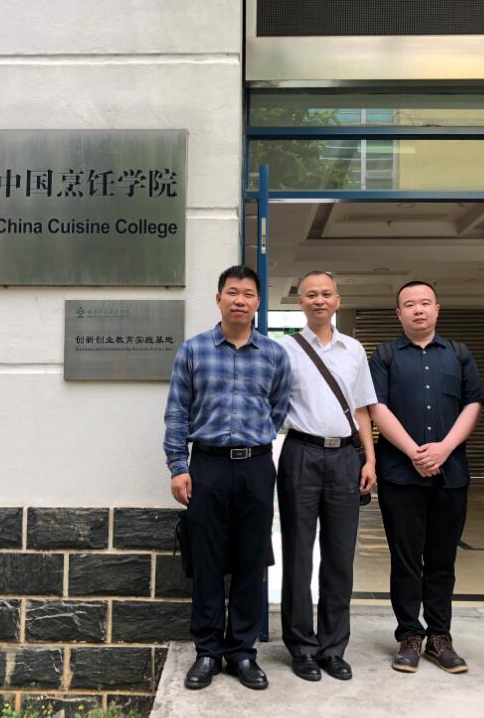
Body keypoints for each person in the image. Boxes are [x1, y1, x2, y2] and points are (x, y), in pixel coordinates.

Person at [163, 265, 291, 691]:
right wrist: (179, 466)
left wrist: (255, 440)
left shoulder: (274, 354)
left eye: (248, 293)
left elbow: (278, 408)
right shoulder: (194, 350)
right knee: (208, 561)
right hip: (208, 466)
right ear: (218, 299)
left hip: (256, 465)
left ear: (258, 302)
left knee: (252, 560)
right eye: (232, 292)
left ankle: (241, 652)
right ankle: (207, 651)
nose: (240, 300)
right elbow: (177, 411)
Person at [368, 280, 483, 674]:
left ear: (437, 309)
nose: (418, 310)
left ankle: (439, 637)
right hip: (401, 474)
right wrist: (415, 452)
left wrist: (443, 449)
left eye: (425, 303)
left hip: (451, 473)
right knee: (405, 559)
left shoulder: (459, 354)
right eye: (409, 304)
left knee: (442, 559)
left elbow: (473, 404)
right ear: (398, 313)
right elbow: (376, 407)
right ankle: (409, 636)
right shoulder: (384, 355)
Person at [277, 271, 377, 682]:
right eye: (311, 294)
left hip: (345, 458)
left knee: (340, 556)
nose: (319, 300)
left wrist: (369, 460)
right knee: (298, 554)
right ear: (300, 301)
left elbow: (363, 409)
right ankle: (301, 647)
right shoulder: (284, 349)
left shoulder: (353, 349)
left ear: (337, 300)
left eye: (326, 294)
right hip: (300, 452)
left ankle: (333, 647)